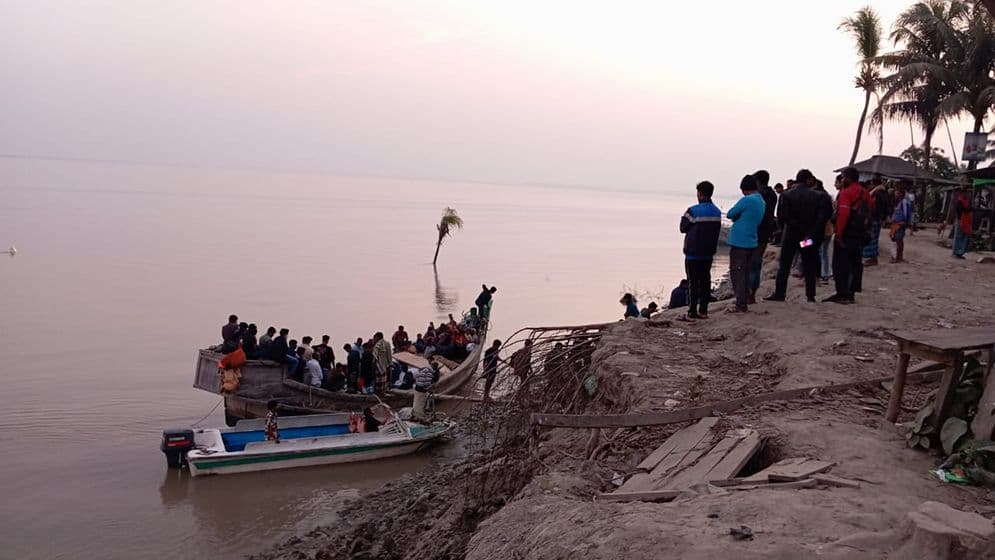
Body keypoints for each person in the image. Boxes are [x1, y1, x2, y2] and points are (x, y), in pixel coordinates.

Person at [764, 169, 830, 303]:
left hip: (791, 236)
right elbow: (823, 217)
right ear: (809, 180)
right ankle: (810, 295)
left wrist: (787, 229)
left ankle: (780, 293)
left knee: (785, 264)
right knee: (809, 264)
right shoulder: (819, 196)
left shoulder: (787, 195)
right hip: (807, 237)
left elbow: (782, 217)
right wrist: (811, 234)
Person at [826, 167, 872, 304]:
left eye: (843, 176)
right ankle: (851, 293)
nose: (842, 179)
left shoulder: (847, 193)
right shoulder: (866, 193)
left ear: (848, 178)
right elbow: (870, 212)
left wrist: (839, 234)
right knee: (855, 263)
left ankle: (842, 293)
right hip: (860, 233)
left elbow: (843, 215)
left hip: (847, 233)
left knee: (840, 264)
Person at [680, 180, 722, 319]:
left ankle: (692, 311)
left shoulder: (693, 210)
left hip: (693, 253)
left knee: (693, 282)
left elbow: (682, 228)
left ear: (700, 194)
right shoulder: (716, 212)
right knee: (705, 281)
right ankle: (703, 311)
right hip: (708, 252)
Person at [726, 175, 766, 312]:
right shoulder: (761, 201)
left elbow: (730, 214)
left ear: (744, 189)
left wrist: (737, 216)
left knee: (737, 272)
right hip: (752, 240)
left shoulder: (747, 200)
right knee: (746, 272)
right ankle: (744, 300)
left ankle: (740, 304)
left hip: (739, 241)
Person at [750, 170, 778, 303]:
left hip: (756, 232)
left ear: (758, 181)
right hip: (766, 232)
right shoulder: (773, 194)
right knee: (757, 262)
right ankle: (752, 293)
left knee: (751, 263)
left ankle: (749, 293)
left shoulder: (759, 195)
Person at [863, 177, 892, 266]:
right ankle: (873, 258)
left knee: (871, 239)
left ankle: (871, 258)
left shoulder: (876, 193)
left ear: (873, 184)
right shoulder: (884, 193)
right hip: (879, 218)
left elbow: (874, 207)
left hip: (874, 218)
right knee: (875, 239)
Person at [940, 186, 973, 259]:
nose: (968, 195)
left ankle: (960, 252)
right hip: (960, 220)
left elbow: (968, 210)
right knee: (958, 236)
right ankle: (956, 252)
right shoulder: (960, 201)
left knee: (964, 236)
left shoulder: (966, 201)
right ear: (963, 193)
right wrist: (967, 210)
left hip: (966, 221)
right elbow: (961, 211)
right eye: (967, 193)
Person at [890, 183, 914, 263]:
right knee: (896, 239)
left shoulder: (904, 202)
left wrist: (906, 222)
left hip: (900, 223)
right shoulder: (899, 202)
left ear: (900, 194)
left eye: (896, 192)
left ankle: (898, 257)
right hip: (896, 223)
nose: (895, 194)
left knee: (898, 240)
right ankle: (897, 256)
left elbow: (907, 213)